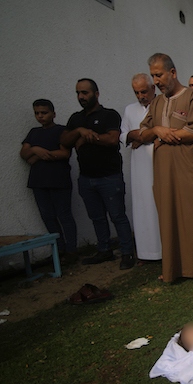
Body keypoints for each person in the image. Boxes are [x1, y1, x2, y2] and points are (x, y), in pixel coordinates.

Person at [140, 53, 193, 284]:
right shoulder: (156, 102)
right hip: (164, 172)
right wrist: (156, 132)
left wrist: (165, 135)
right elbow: (143, 132)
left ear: (172, 73)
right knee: (168, 216)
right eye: (153, 76)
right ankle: (172, 268)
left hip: (190, 170)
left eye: (159, 75)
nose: (156, 81)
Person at [60, 79, 135, 269]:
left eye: (85, 93)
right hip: (86, 178)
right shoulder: (76, 119)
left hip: (109, 176)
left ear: (96, 93)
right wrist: (79, 131)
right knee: (97, 217)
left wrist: (86, 139)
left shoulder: (109, 115)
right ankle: (104, 250)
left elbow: (112, 140)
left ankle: (127, 253)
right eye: (78, 93)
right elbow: (65, 141)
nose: (81, 97)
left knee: (117, 215)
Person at [20, 99, 78, 265]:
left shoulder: (61, 130)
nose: (40, 116)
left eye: (44, 113)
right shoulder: (33, 132)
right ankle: (58, 250)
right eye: (37, 113)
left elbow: (64, 153)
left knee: (64, 215)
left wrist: (38, 155)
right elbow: (24, 154)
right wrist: (35, 150)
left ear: (53, 113)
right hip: (38, 181)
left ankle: (72, 250)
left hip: (59, 180)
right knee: (47, 216)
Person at [119, 73, 161, 262]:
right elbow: (123, 135)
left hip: (158, 160)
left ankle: (163, 251)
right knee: (143, 205)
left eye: (144, 91)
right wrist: (140, 135)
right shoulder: (129, 110)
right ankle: (146, 252)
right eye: (137, 92)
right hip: (139, 165)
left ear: (153, 88)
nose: (140, 96)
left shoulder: (162, 104)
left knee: (159, 204)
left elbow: (163, 132)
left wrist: (143, 137)